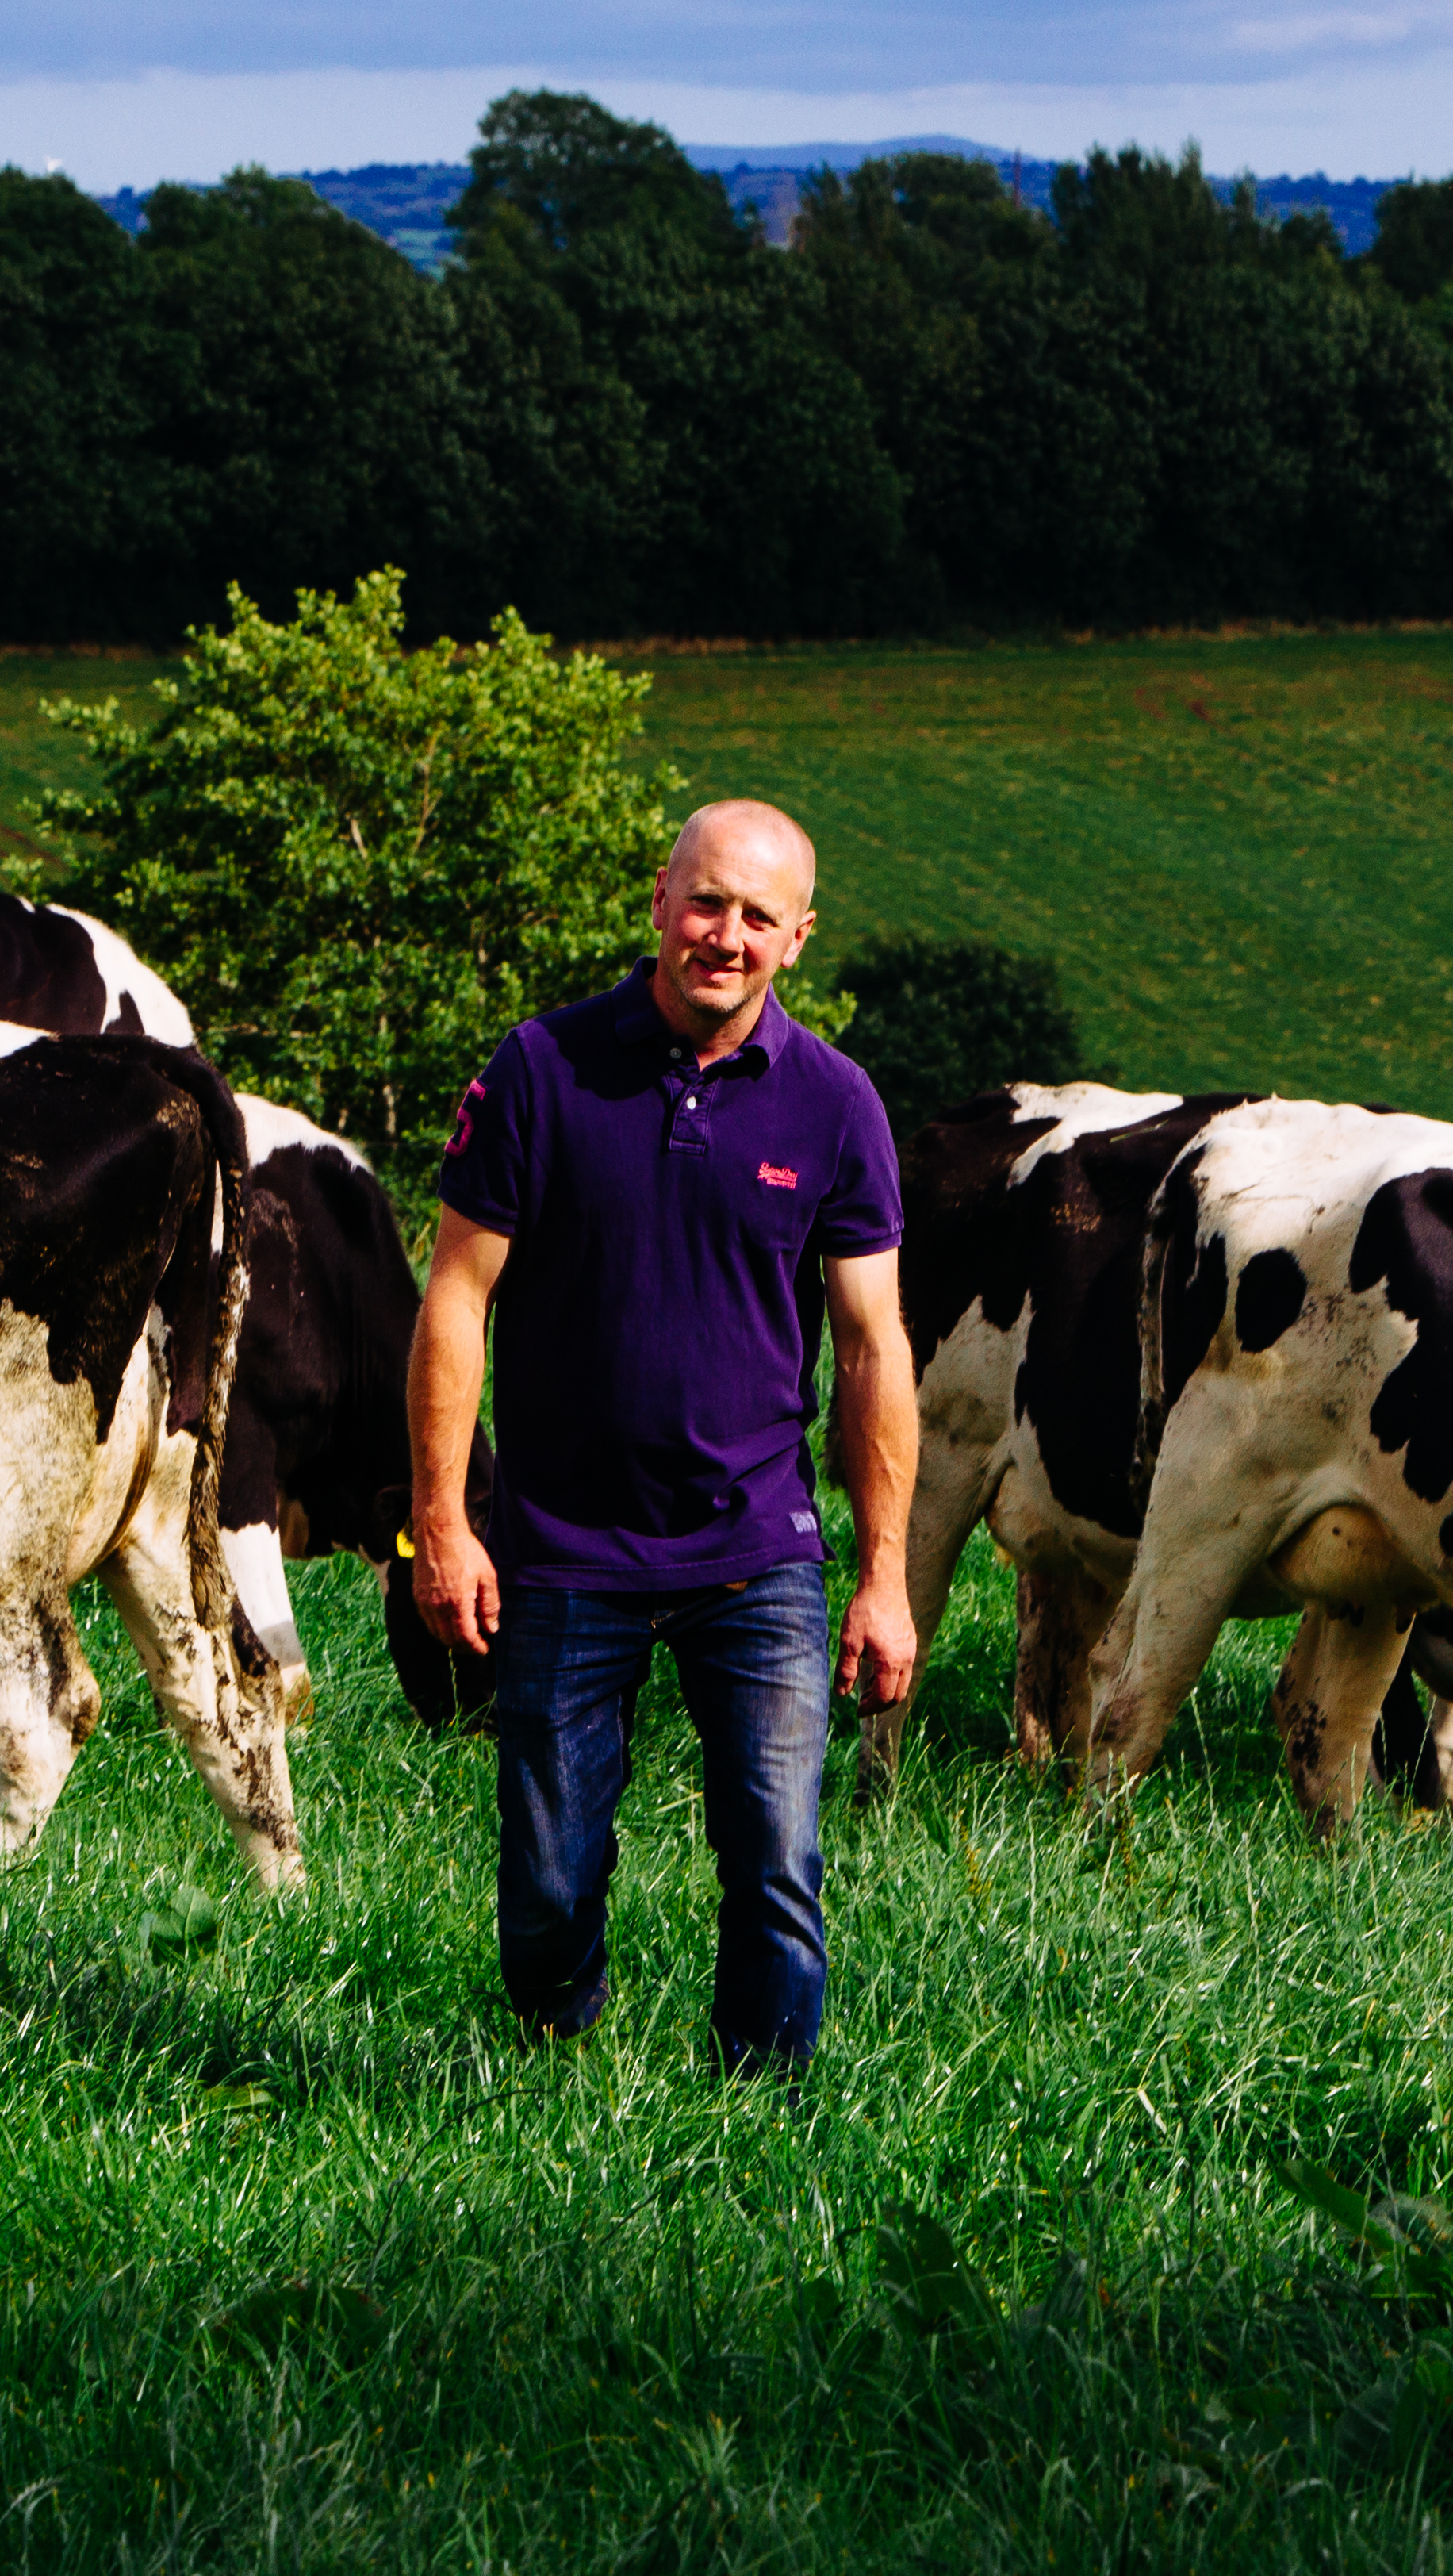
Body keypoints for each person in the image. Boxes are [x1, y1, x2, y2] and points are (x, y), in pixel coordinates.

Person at [407, 798, 918, 2079]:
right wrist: (448, 1524)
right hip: (565, 1551)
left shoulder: (836, 1106)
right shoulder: (541, 1069)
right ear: (658, 899)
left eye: (758, 917)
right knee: (548, 1885)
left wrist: (886, 1575)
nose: (725, 937)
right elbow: (456, 1299)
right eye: (707, 903)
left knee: (778, 1867)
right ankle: (555, 2069)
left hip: (757, 1552)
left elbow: (871, 1350)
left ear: (799, 938)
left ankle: (760, 2116)